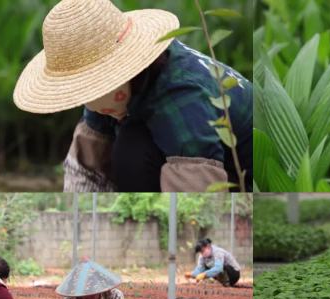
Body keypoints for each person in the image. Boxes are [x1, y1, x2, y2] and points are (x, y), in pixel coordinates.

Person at [13, 0, 252, 192]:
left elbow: (199, 190)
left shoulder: (183, 98)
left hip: (244, 175)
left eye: (94, 87)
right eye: (83, 92)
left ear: (126, 70)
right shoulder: (106, 99)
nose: (93, 105)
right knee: (128, 141)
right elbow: (84, 172)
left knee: (131, 150)